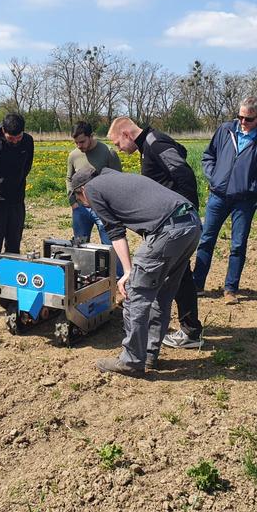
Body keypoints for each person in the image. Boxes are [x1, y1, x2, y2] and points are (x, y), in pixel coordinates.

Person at [71, 167, 201, 376]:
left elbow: (114, 231)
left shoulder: (93, 188)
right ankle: (148, 355)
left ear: (82, 190)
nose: (84, 203)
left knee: (134, 294)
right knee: (162, 295)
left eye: (79, 197)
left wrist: (128, 271)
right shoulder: (113, 178)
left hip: (168, 231)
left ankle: (131, 361)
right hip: (191, 224)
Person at [107, 116, 204, 349]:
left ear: (126, 134)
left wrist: (183, 212)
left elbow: (184, 174)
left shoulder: (155, 143)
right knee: (180, 276)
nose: (119, 150)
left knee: (180, 277)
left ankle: (190, 331)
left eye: (118, 144)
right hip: (168, 222)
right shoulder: (148, 145)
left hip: (175, 223)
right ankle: (187, 328)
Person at [193, 96, 257, 304]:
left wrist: (251, 187)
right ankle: (197, 284)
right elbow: (208, 156)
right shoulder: (225, 130)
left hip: (244, 201)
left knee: (238, 244)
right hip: (217, 196)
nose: (243, 122)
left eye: (248, 119)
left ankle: (230, 289)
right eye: (240, 117)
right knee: (206, 240)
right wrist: (214, 177)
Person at [0, 112, 34, 305]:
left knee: (14, 244)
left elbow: (27, 166)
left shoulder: (28, 142)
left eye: (19, 137)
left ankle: (10, 285)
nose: (16, 141)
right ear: (3, 132)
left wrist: (17, 184)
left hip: (17, 200)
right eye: (12, 138)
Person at [66, 121, 122, 245]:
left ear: (91, 136)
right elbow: (69, 179)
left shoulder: (108, 152)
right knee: (80, 247)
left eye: (82, 142)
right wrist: (73, 202)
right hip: (81, 209)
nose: (79, 146)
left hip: (103, 208)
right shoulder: (73, 156)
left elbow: (118, 180)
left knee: (111, 247)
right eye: (76, 142)